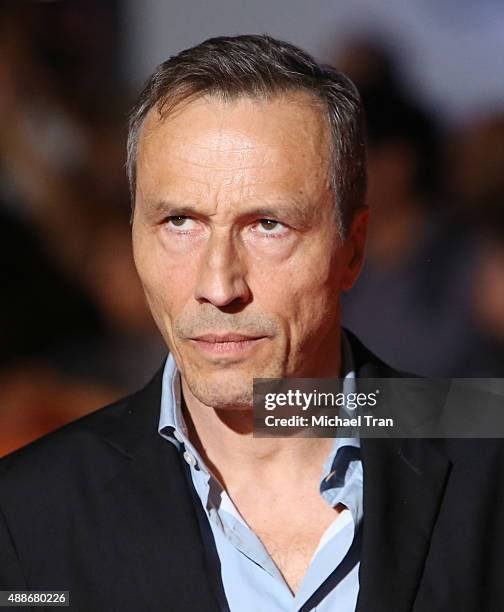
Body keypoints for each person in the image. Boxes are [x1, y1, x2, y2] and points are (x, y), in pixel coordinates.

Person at [0, 35, 503, 612]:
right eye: (179, 221)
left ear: (353, 248)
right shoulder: (26, 515)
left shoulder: (485, 450)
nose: (218, 285)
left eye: (268, 226)